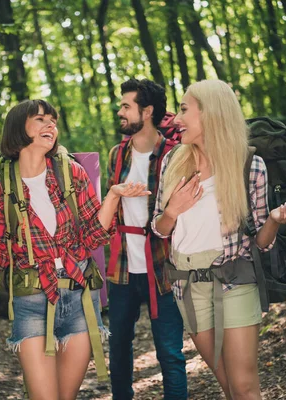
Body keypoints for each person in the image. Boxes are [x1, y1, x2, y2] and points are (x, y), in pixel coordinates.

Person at [0, 99, 150, 400]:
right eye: (41, 119)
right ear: (19, 130)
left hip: (80, 295)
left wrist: (112, 197)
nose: (51, 125)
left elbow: (91, 237)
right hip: (32, 299)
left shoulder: (71, 173)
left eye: (53, 120)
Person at [152, 79, 286, 400]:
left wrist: (276, 221)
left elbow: (262, 243)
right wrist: (172, 211)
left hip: (234, 279)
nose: (176, 119)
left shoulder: (250, 165)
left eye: (183, 110)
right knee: (227, 385)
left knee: (245, 386)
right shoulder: (172, 162)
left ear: (211, 114)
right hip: (187, 285)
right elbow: (160, 228)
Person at [106, 79, 187, 400]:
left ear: (147, 111)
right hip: (123, 269)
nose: (120, 111)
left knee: (170, 352)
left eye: (126, 106)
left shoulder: (175, 154)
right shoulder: (116, 154)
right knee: (118, 350)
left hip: (163, 266)